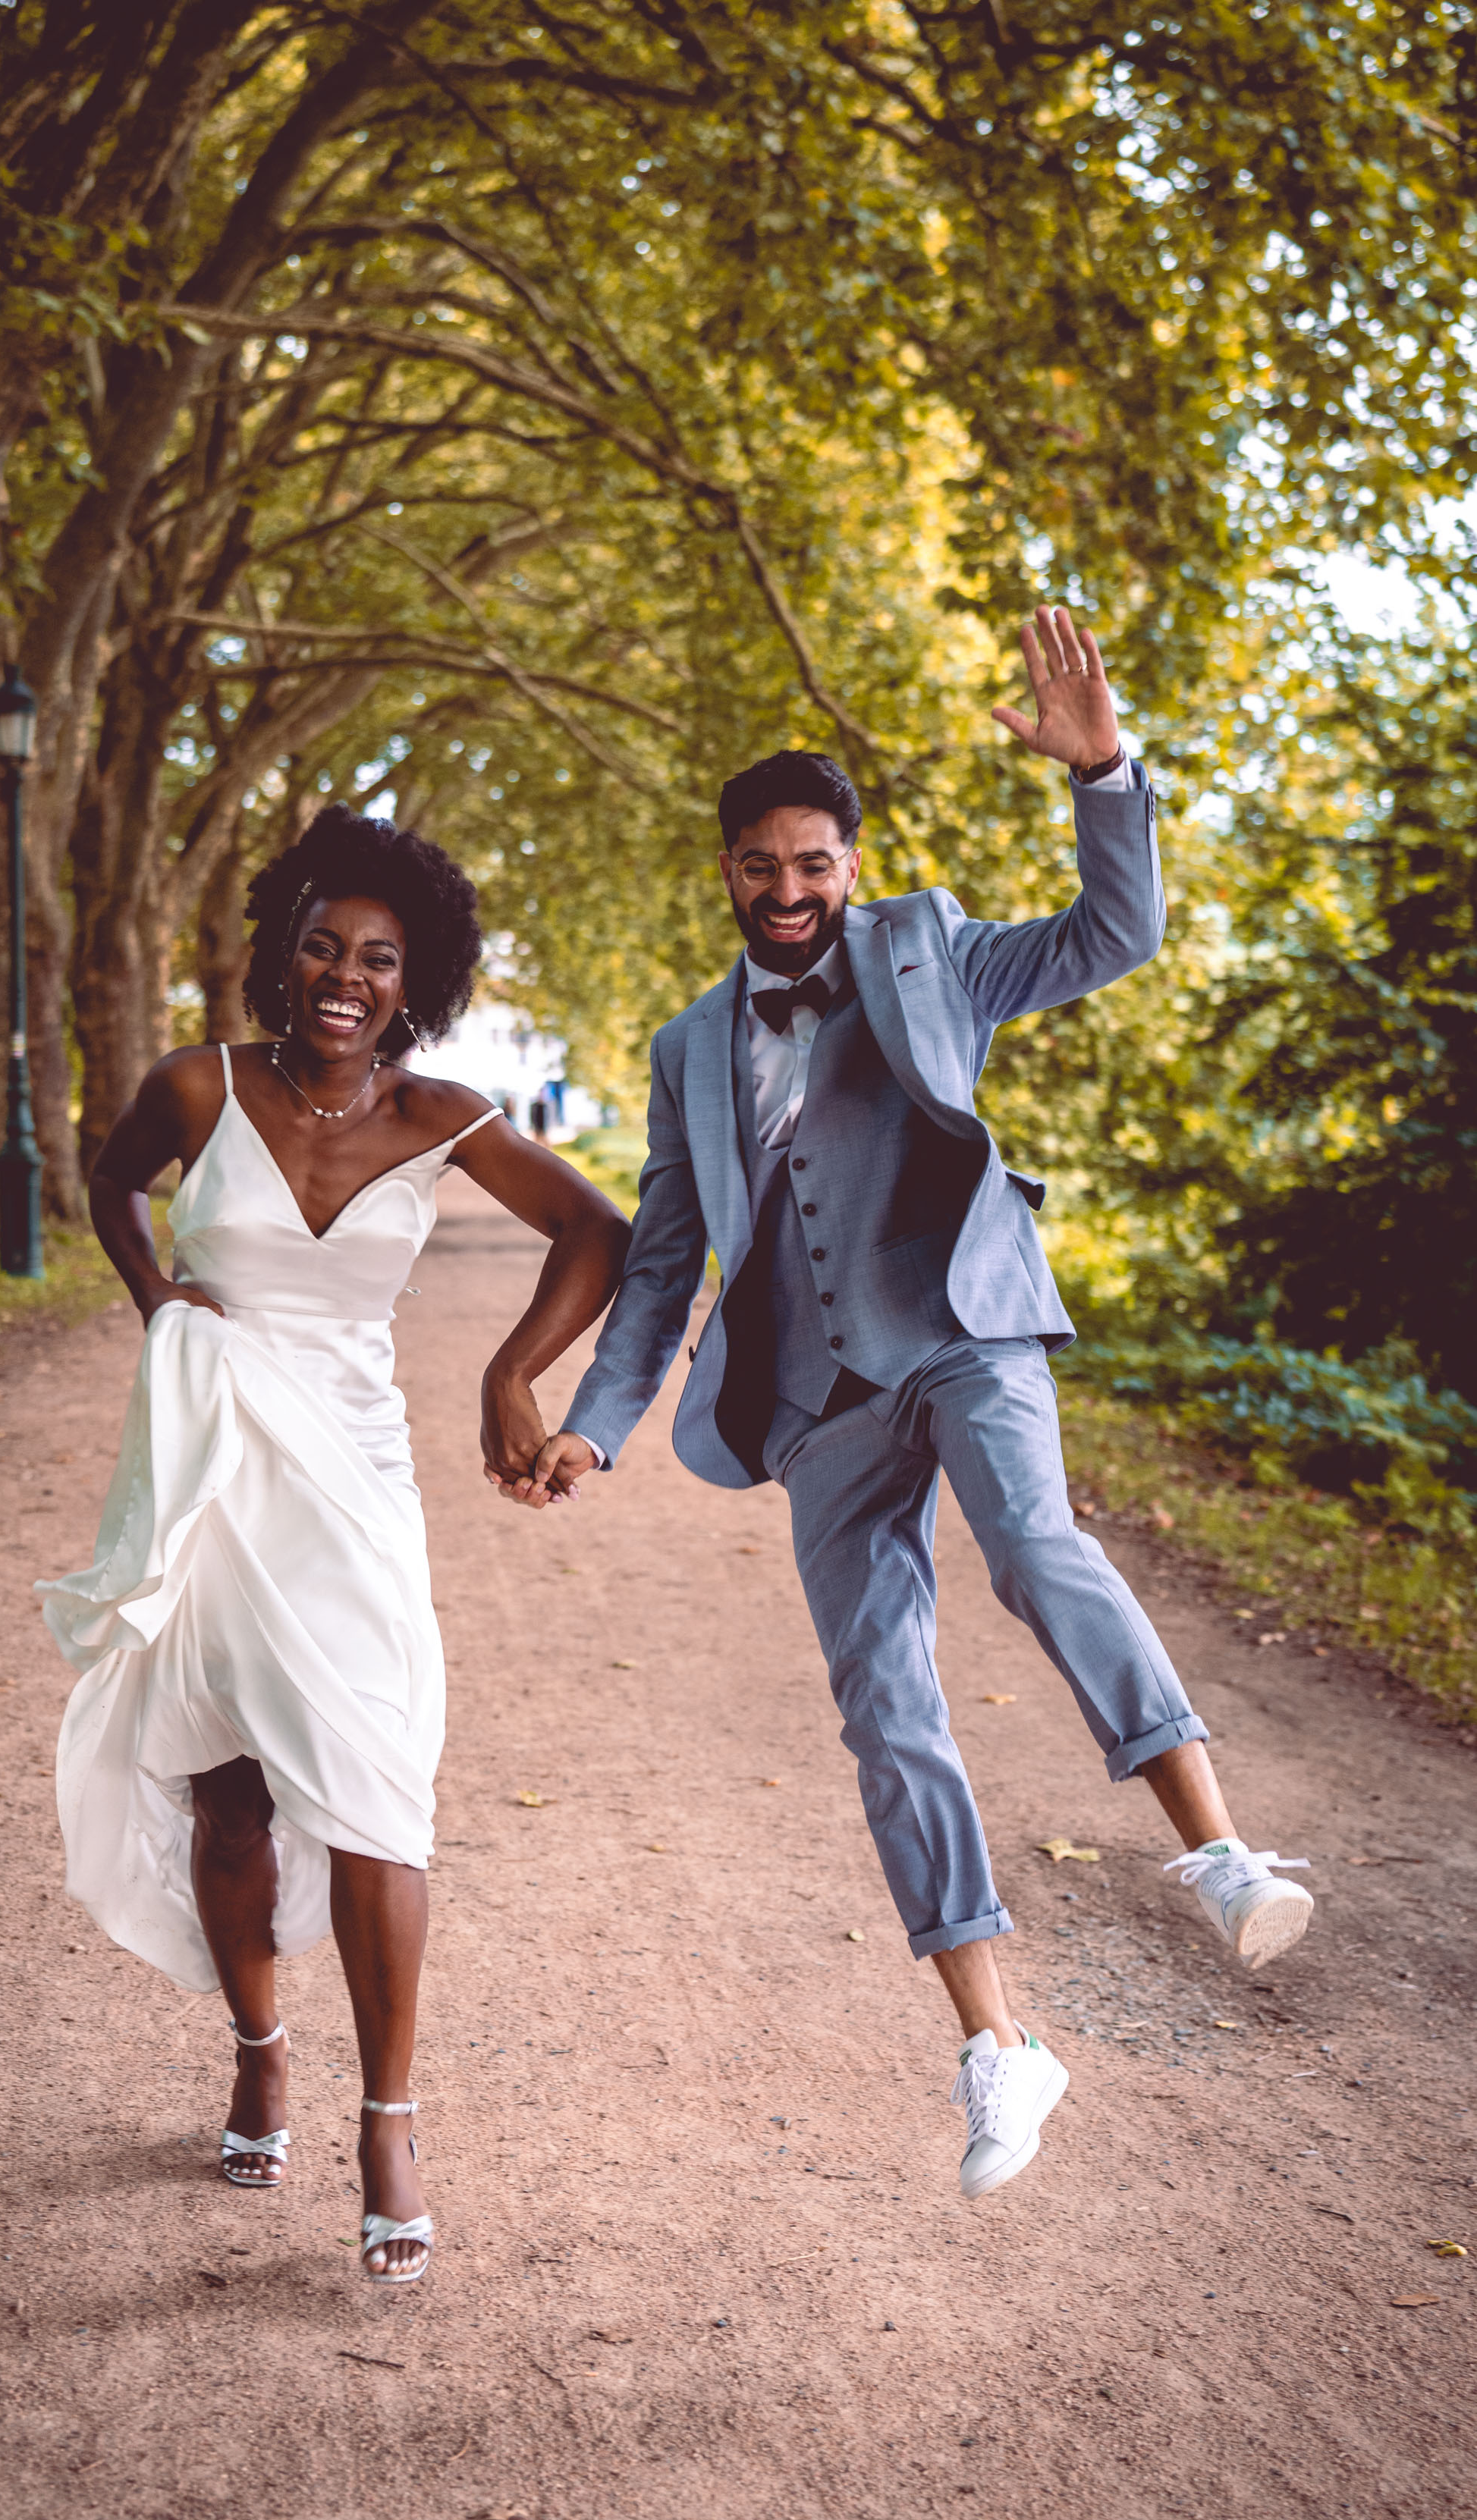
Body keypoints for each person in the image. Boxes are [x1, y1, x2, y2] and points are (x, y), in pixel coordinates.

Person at [497, 607, 1314, 2201]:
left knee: (1033, 1546)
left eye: (812, 862)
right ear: (726, 872)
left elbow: (1113, 934)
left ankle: (1217, 1850)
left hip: (962, 1331)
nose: (787, 888)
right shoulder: (685, 1048)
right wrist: (594, 1418)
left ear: (850, 864)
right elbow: (662, 1262)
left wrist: (1103, 773)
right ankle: (999, 2045)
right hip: (814, 1401)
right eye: (759, 865)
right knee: (884, 1706)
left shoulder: (934, 945)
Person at [39, 805, 629, 2279]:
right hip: (214, 1467)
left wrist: (510, 1374)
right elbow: (109, 1182)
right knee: (230, 1794)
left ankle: (388, 2121)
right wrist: (158, 1300)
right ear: (282, 954)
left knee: (377, 1790)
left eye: (377, 958)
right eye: (322, 946)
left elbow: (598, 1234)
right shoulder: (197, 1085)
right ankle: (259, 2051)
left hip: (355, 1485)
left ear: (414, 982)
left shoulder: (444, 1120)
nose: (345, 977)